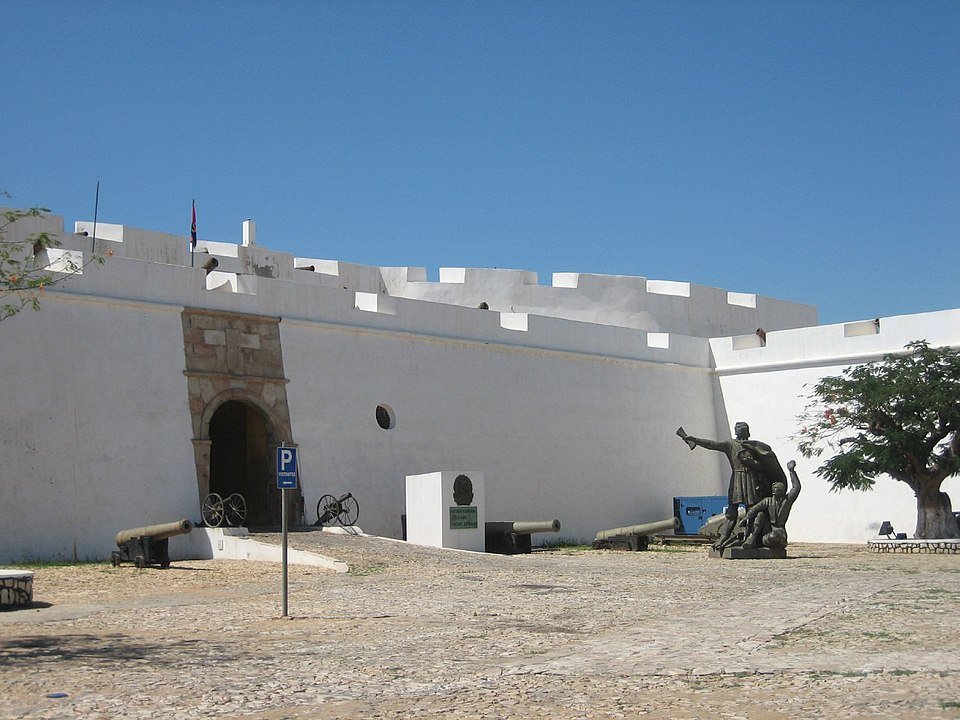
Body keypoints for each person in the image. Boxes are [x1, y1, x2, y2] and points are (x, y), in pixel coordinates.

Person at [740, 460, 802, 549]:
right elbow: (755, 508)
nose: (773, 490)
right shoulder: (768, 500)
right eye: (773, 488)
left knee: (774, 537)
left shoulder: (787, 500)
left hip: (780, 532)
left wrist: (791, 471)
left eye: (776, 488)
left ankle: (767, 541)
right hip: (768, 530)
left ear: (781, 490)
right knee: (760, 514)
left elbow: (796, 487)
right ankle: (752, 538)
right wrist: (746, 517)